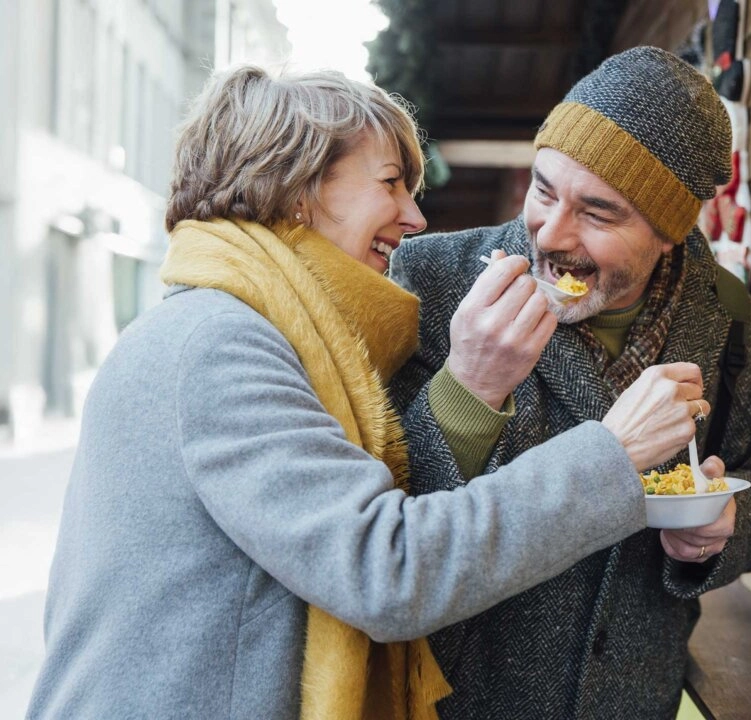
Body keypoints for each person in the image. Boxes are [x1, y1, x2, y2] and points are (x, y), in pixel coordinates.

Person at [27, 65, 716, 720]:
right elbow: (386, 569)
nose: (414, 217)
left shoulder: (256, 328)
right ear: (298, 188)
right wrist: (611, 456)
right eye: (390, 182)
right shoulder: (221, 343)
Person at [390, 46, 751, 718]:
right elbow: (374, 532)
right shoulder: (428, 284)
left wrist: (725, 526)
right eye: (543, 188)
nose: (550, 234)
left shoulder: (730, 318)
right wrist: (469, 387)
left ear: (669, 232)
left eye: (599, 213)